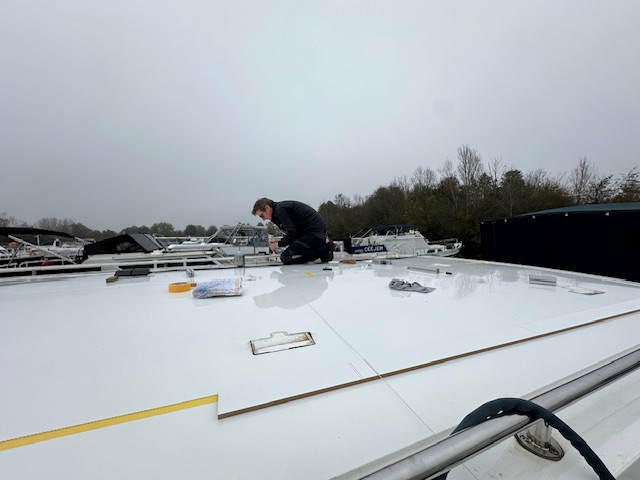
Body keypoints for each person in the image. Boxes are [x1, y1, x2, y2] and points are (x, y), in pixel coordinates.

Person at [252, 197, 333, 265]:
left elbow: (293, 232)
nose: (263, 219)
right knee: (290, 253)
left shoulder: (281, 210)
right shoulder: (278, 212)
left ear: (267, 208)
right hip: (310, 234)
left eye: (262, 215)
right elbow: (294, 232)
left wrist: (277, 244)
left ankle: (323, 251)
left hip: (314, 233)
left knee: (286, 257)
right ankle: (320, 251)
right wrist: (280, 242)